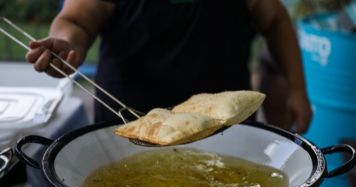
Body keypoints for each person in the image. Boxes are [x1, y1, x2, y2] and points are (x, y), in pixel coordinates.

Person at [26, 0, 312, 133]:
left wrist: (297, 89)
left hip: (226, 133)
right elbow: (76, 21)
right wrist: (64, 45)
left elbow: (275, 21)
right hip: (129, 128)